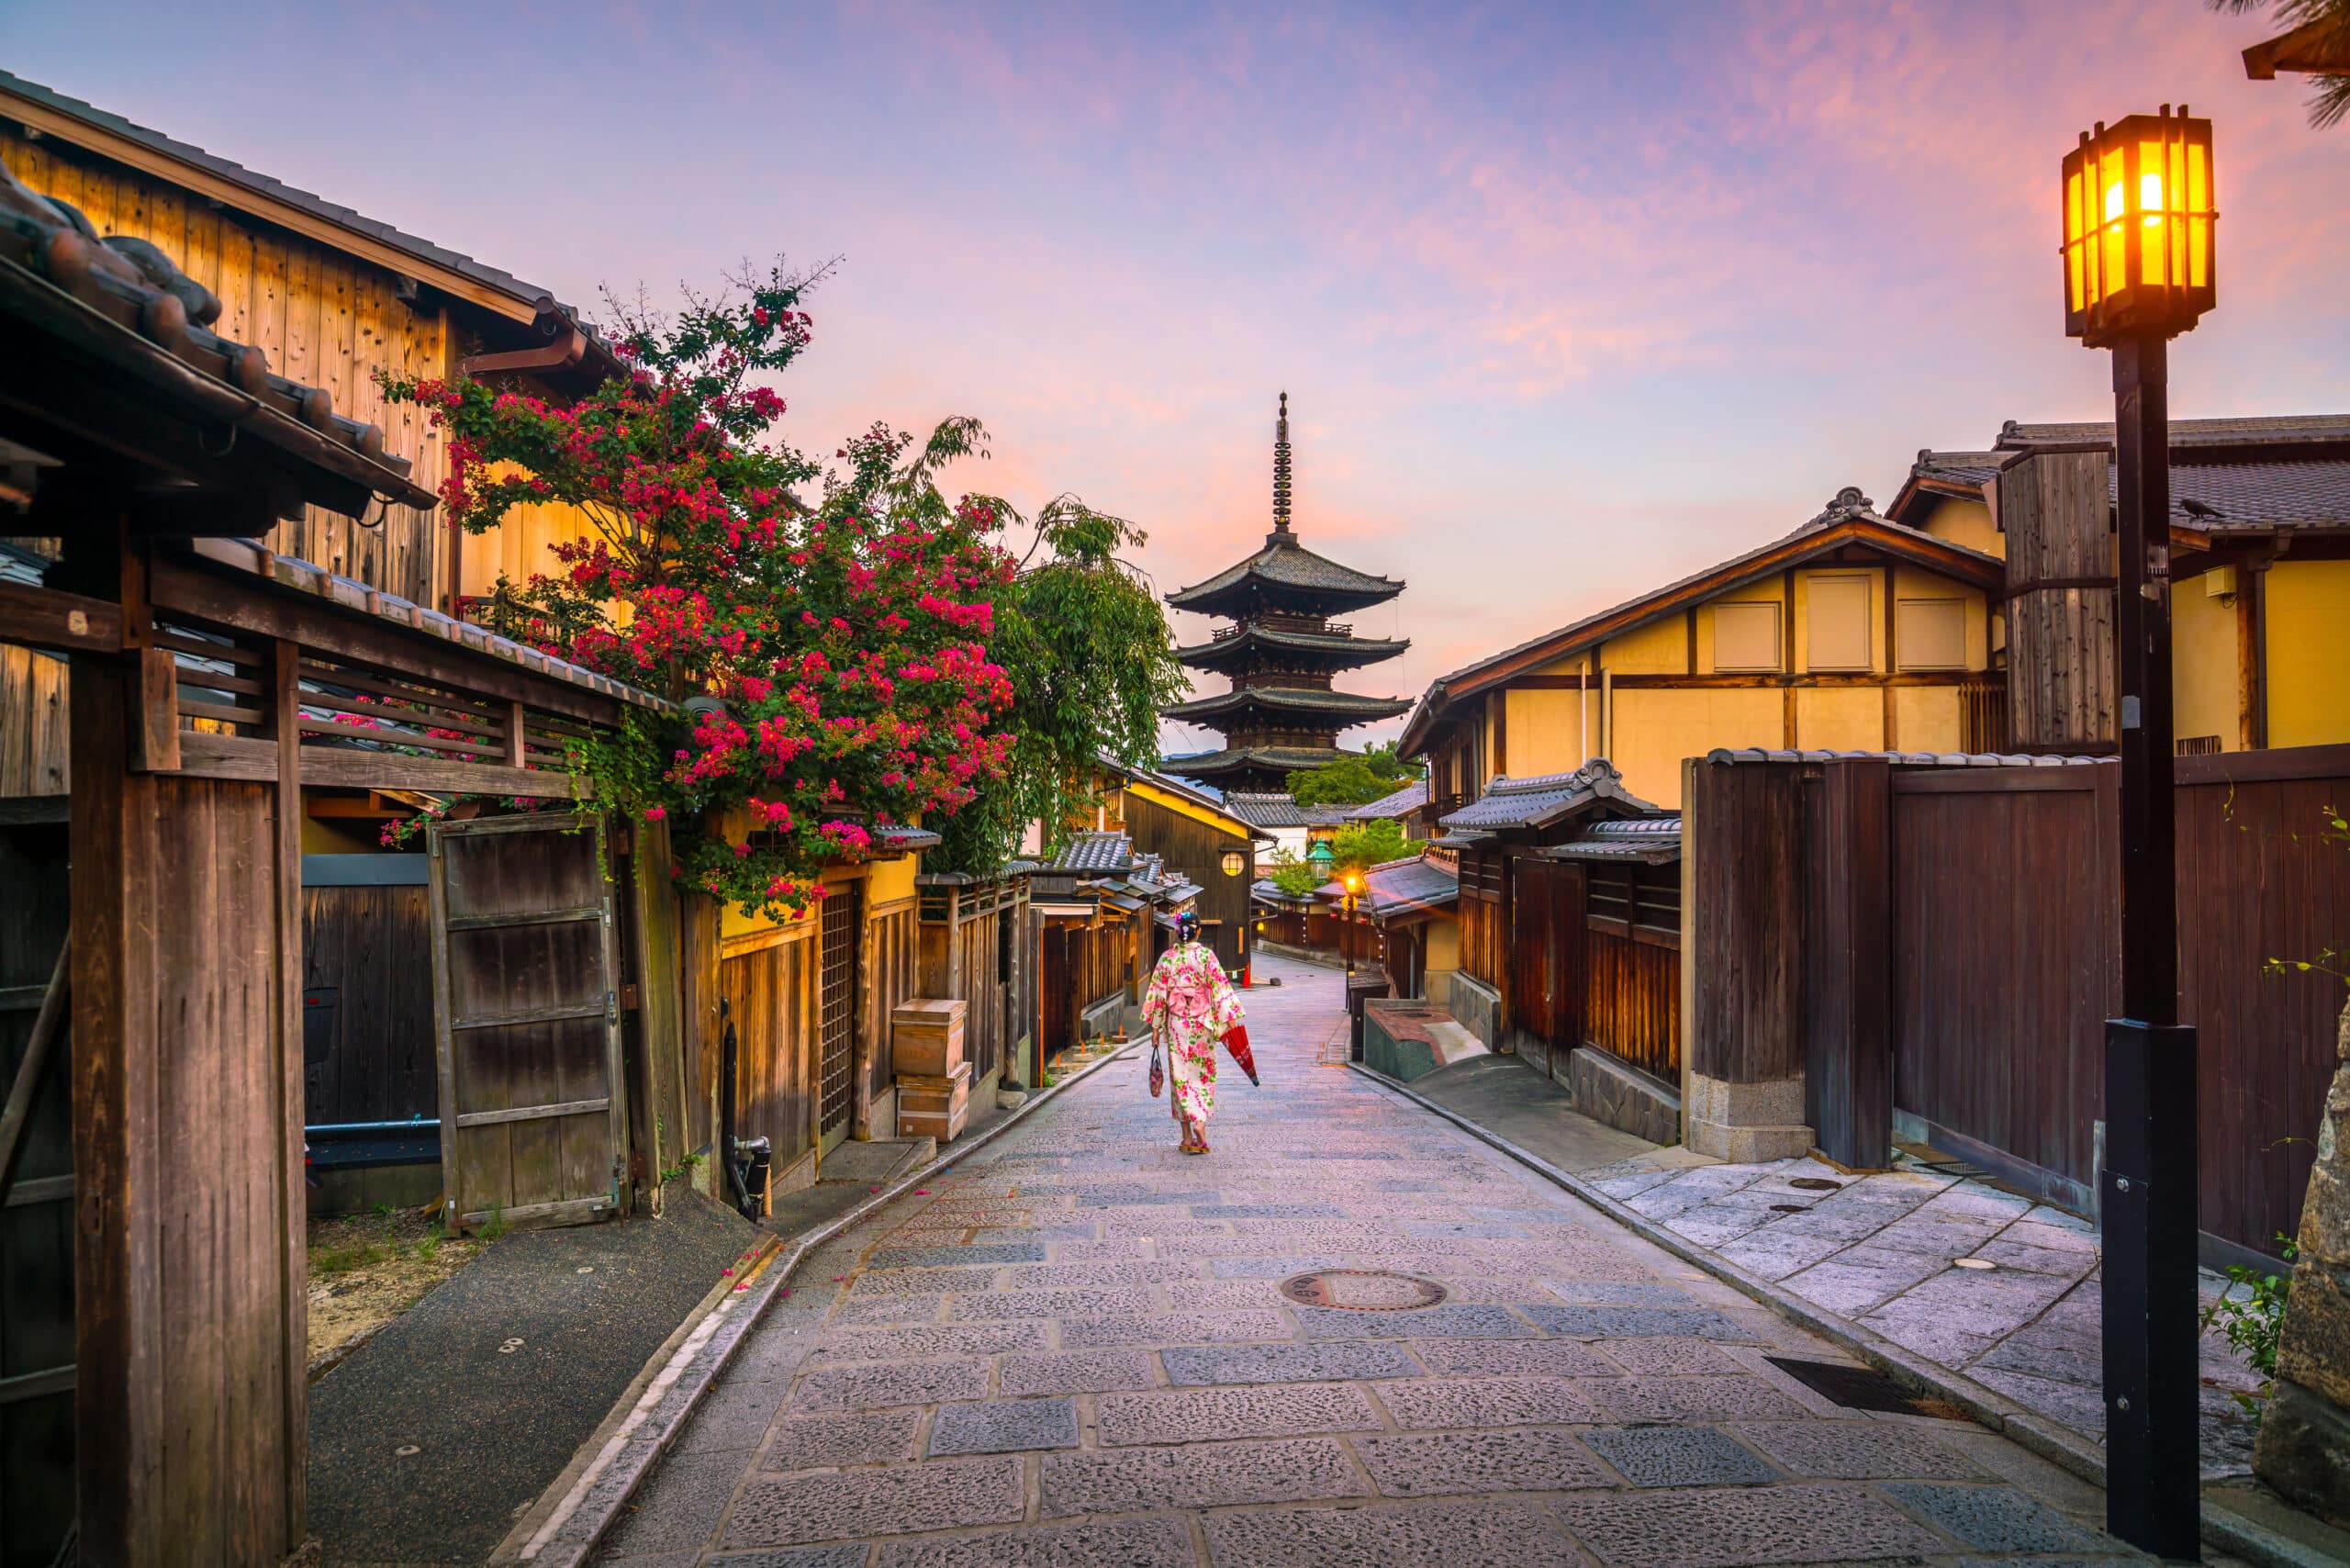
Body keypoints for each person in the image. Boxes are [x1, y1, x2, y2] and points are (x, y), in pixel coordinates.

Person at [1140, 913, 1244, 1155]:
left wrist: (1155, 1027)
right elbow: (1220, 989)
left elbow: (1158, 993)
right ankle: (1200, 1124)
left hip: (1176, 1024)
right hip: (1202, 1024)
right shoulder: (1206, 956)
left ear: (1178, 933)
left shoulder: (1167, 958)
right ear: (1198, 932)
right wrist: (1229, 1021)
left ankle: (1187, 1137)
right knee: (1203, 1075)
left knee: (1180, 1079)